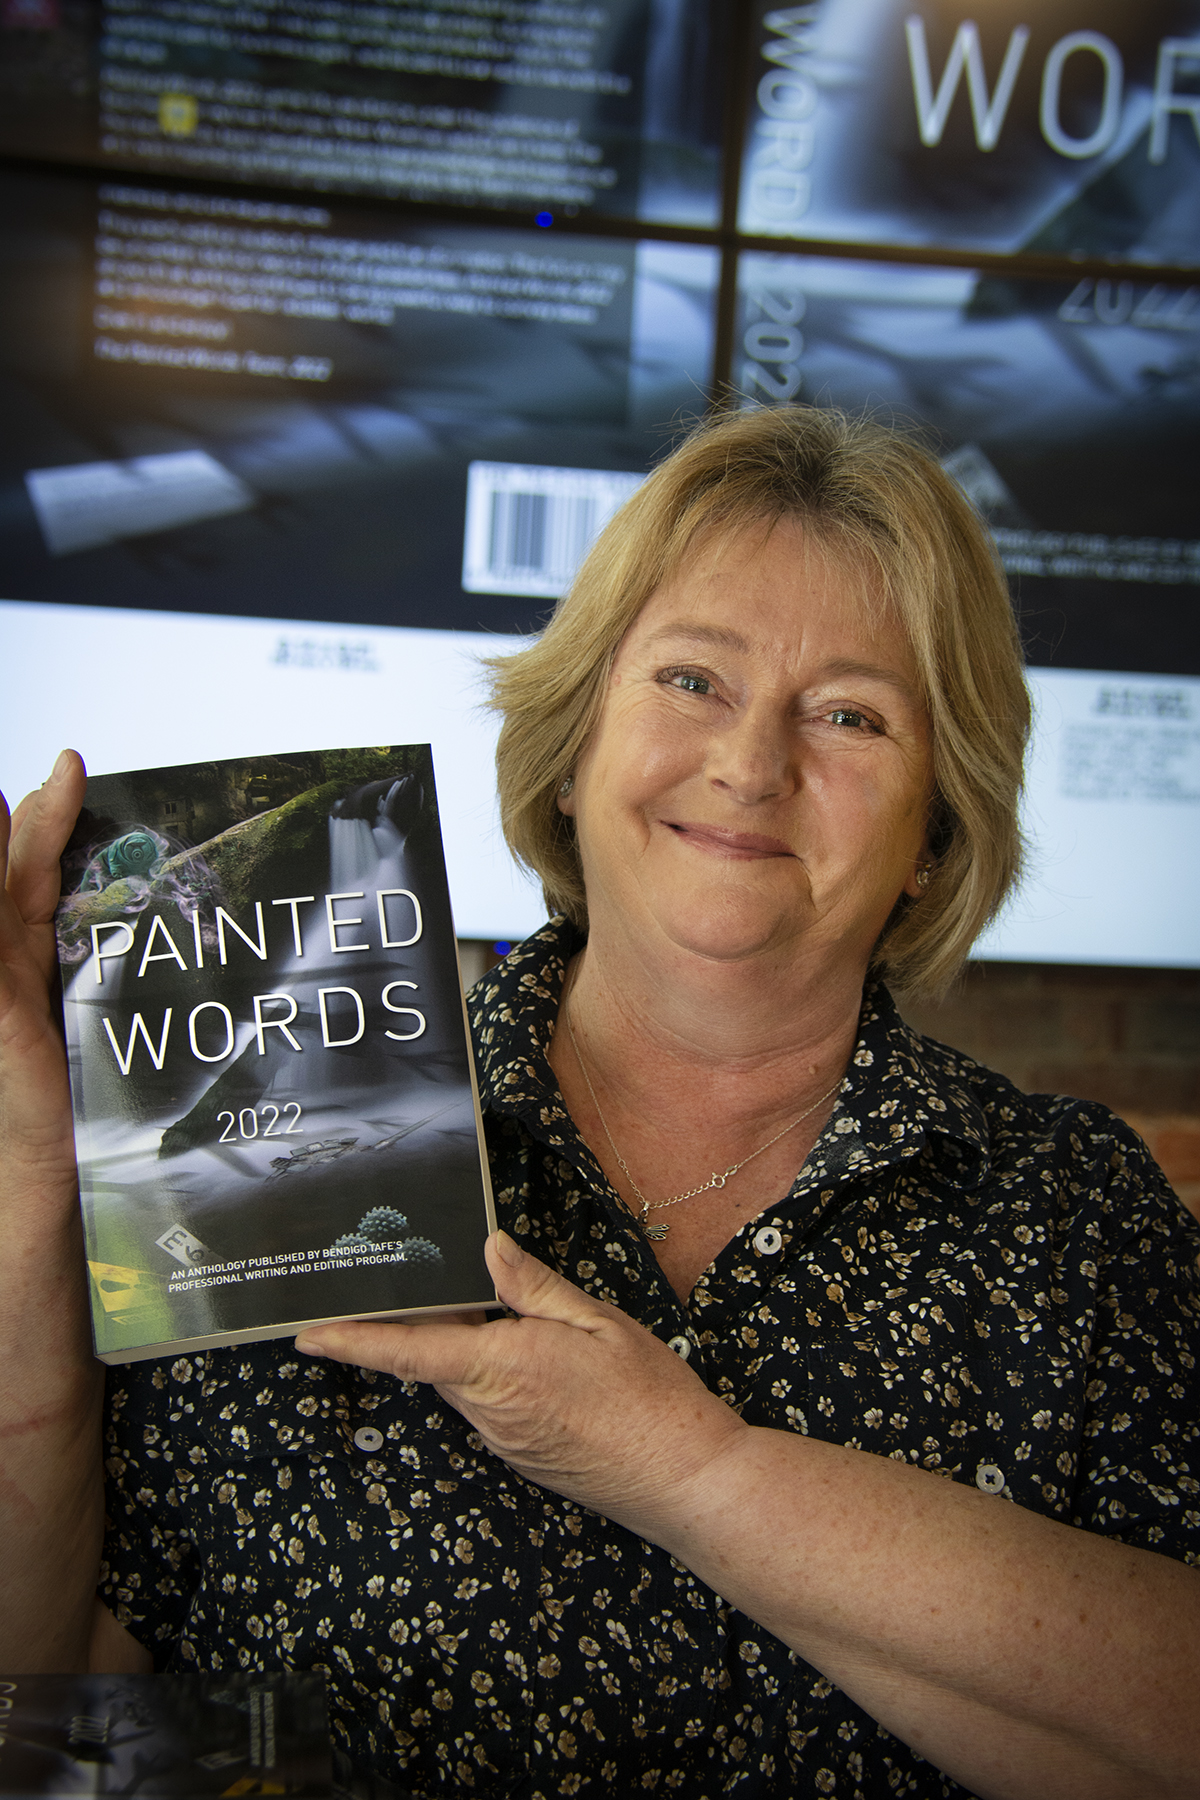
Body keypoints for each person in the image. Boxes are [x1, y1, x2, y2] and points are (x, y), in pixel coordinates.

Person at [1, 406, 1197, 1800]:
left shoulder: (1073, 1215)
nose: (754, 764)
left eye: (852, 714)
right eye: (694, 679)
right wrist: (34, 1185)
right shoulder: (274, 1124)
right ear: (573, 753)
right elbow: (57, 1721)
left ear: (934, 835)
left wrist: (694, 1474)